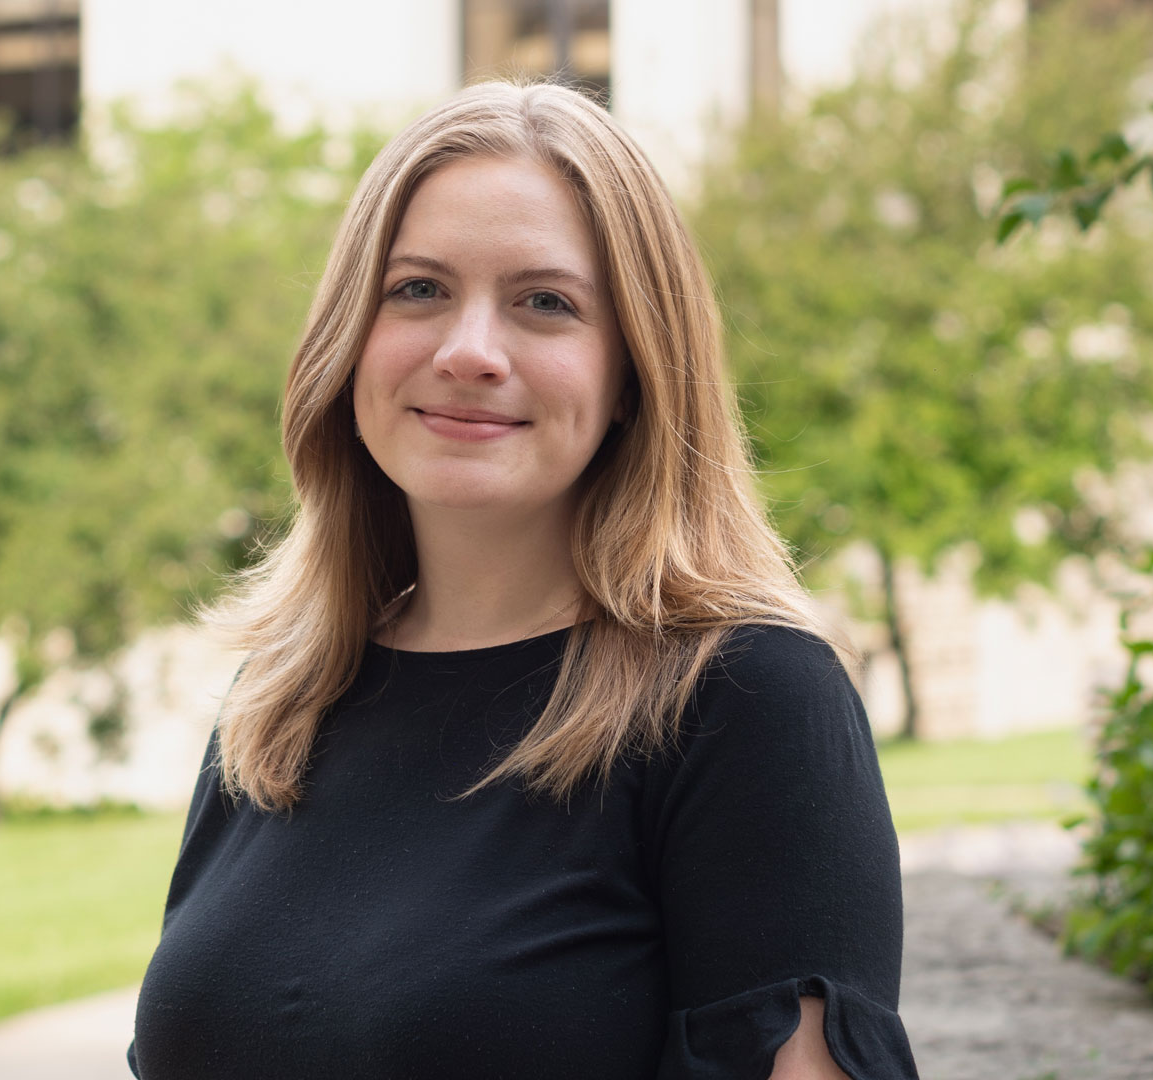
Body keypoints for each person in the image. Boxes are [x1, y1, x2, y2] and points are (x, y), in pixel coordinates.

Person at [127, 81, 918, 1080]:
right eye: (417, 290)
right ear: (348, 338)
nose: (469, 352)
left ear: (636, 368)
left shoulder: (747, 700)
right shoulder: (281, 700)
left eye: (546, 303)